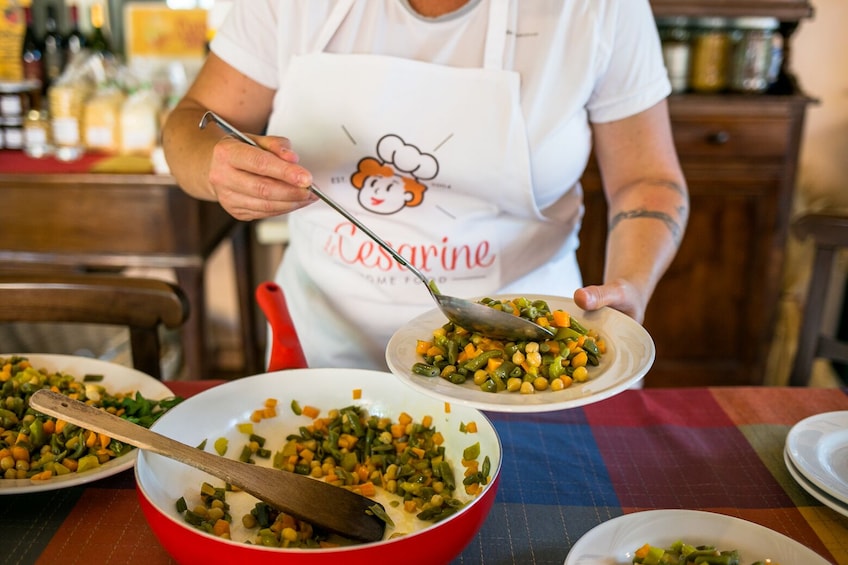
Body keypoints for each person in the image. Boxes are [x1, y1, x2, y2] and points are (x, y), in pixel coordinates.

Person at [162, 0, 689, 371]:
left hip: (528, 353)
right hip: (327, 350)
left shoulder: (598, 9)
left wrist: (632, 283)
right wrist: (219, 165)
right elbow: (189, 124)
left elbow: (648, 180)